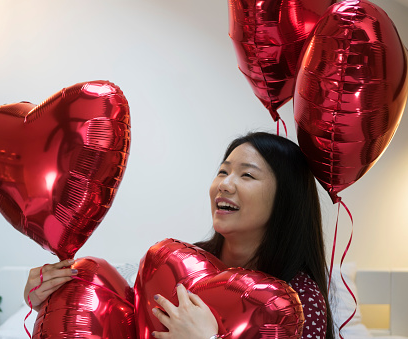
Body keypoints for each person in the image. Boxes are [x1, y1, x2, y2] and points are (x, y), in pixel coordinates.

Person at [24, 132, 334, 339]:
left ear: (286, 198)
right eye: (223, 171)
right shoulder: (184, 266)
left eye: (247, 174)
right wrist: (51, 300)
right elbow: (121, 323)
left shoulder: (302, 299)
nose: (224, 184)